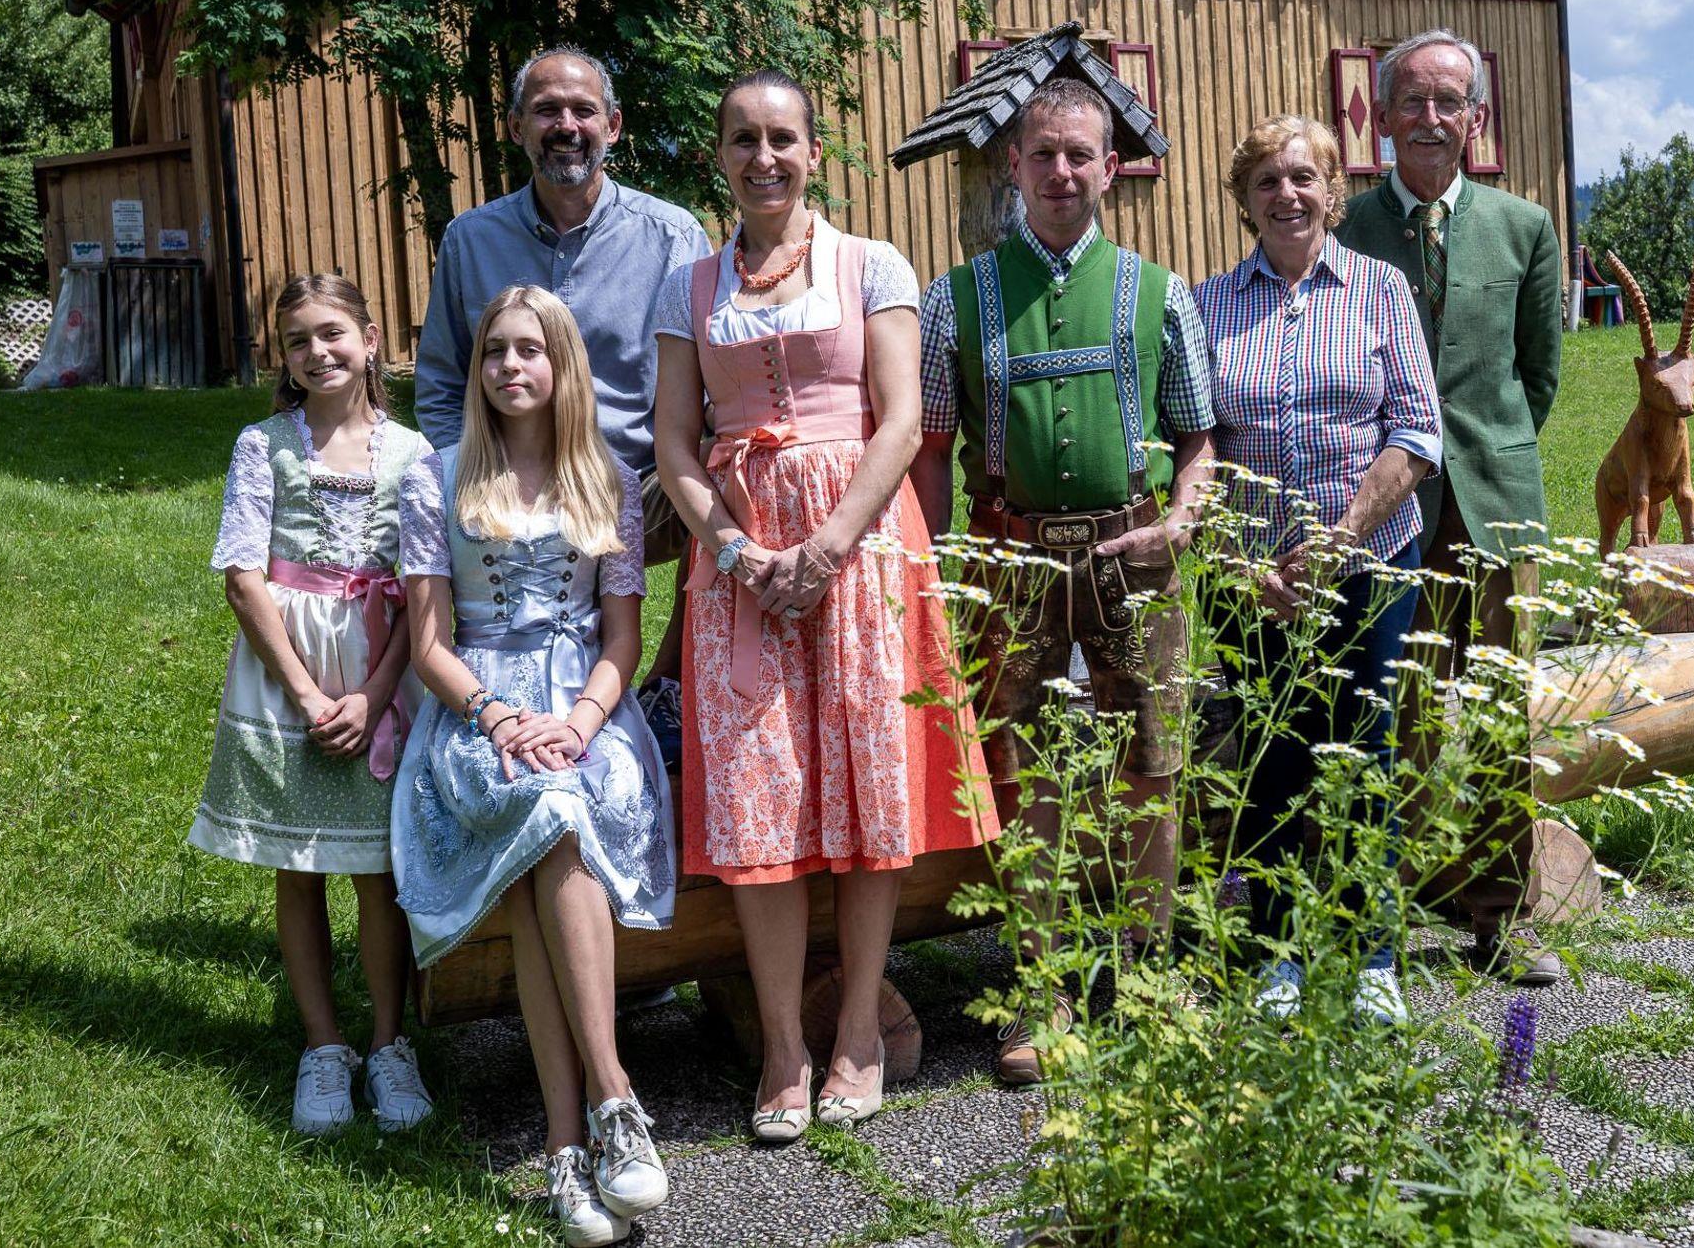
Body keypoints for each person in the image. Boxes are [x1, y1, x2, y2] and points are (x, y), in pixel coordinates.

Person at [654, 70, 996, 1144]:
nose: (764, 157)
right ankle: (780, 1045)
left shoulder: (871, 263)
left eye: (782, 138)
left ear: (813, 150)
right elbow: (673, 440)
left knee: (866, 785)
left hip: (863, 546)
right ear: (720, 155)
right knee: (758, 797)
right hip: (741, 562)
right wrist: (735, 549)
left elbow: (901, 420)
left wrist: (829, 544)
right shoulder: (688, 284)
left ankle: (854, 1029)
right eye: (743, 139)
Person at [911, 76, 1216, 1086]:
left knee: (1154, 760)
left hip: (1136, 549)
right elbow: (931, 450)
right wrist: (938, 569)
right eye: (1042, 153)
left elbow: (1198, 438)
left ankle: (1147, 972)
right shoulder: (954, 298)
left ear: (1111, 167)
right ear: (1012, 164)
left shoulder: (1158, 290)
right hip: (1010, 552)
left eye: (1079, 154)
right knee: (1021, 766)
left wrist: (1180, 519)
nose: (1060, 171)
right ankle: (1039, 986)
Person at [393, 285, 674, 1247]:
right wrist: (501, 717)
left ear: (563, 364)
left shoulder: (609, 480)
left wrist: (583, 721)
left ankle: (567, 1149)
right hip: (476, 709)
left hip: (588, 710)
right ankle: (614, 1098)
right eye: (493, 351)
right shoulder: (436, 479)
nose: (509, 366)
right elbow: (430, 646)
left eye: (529, 349)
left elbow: (623, 639)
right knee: (545, 809)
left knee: (552, 826)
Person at [1194, 115, 1441, 1023]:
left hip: (1369, 562)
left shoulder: (1380, 289)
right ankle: (1277, 960)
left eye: (1303, 177)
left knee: (1364, 751)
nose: (1287, 195)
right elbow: (1192, 448)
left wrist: (1341, 539)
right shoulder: (1207, 305)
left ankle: (1372, 957)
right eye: (1267, 181)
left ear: (1333, 193)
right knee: (1270, 761)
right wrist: (1239, 565)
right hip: (1251, 580)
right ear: (1244, 201)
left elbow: (1417, 431)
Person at [1334, 28, 1563, 985]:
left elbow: (1537, 378)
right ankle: (1383, 912)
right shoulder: (1343, 227)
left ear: (1477, 117)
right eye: (1413, 101)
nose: (1431, 118)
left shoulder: (1524, 227)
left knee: (1506, 715)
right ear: (1381, 117)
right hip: (1385, 511)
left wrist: (1482, 458)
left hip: (1494, 505)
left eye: (1449, 101)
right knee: (1396, 709)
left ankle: (1505, 917)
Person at [190, 272, 435, 1136]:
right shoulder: (263, 446)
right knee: (298, 864)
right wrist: (304, 690)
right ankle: (324, 1047)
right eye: (298, 341)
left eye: (333, 333)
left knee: (376, 867)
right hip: (285, 676)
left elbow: (421, 589)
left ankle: (388, 1042)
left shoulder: (413, 454)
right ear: (283, 359)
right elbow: (242, 576)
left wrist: (373, 694)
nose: (317, 352)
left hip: (378, 671)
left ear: (371, 342)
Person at [412, 45, 712, 685]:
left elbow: (705, 385)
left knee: (734, 473)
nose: (567, 126)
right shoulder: (471, 240)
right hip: (509, 480)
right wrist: (472, 475)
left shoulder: (673, 238)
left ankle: (670, 685)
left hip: (637, 486)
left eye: (584, 110)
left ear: (613, 125)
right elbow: (440, 383)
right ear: (516, 127)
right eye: (547, 110)